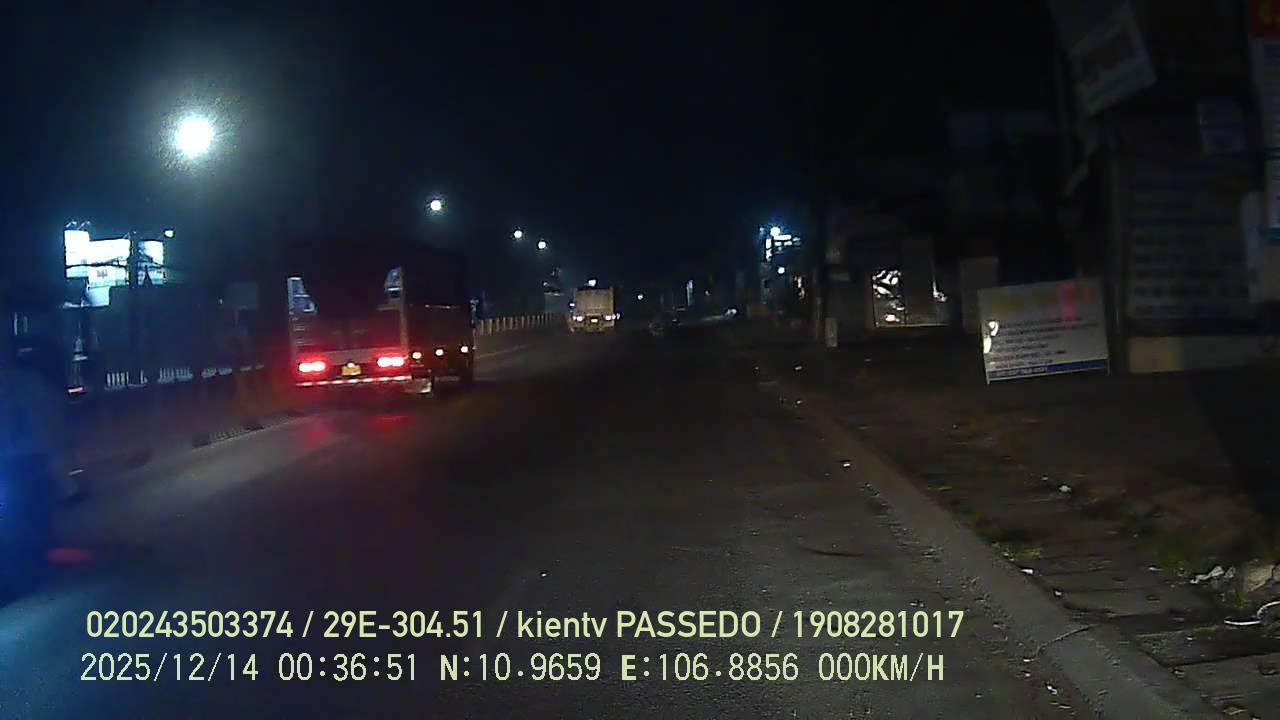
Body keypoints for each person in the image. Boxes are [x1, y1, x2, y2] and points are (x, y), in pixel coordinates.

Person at [0, 332, 67, 594]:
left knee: (31, 509)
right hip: (24, 457)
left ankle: (34, 561)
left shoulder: (28, 384)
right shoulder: (29, 383)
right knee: (29, 509)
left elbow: (48, 419)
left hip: (26, 457)